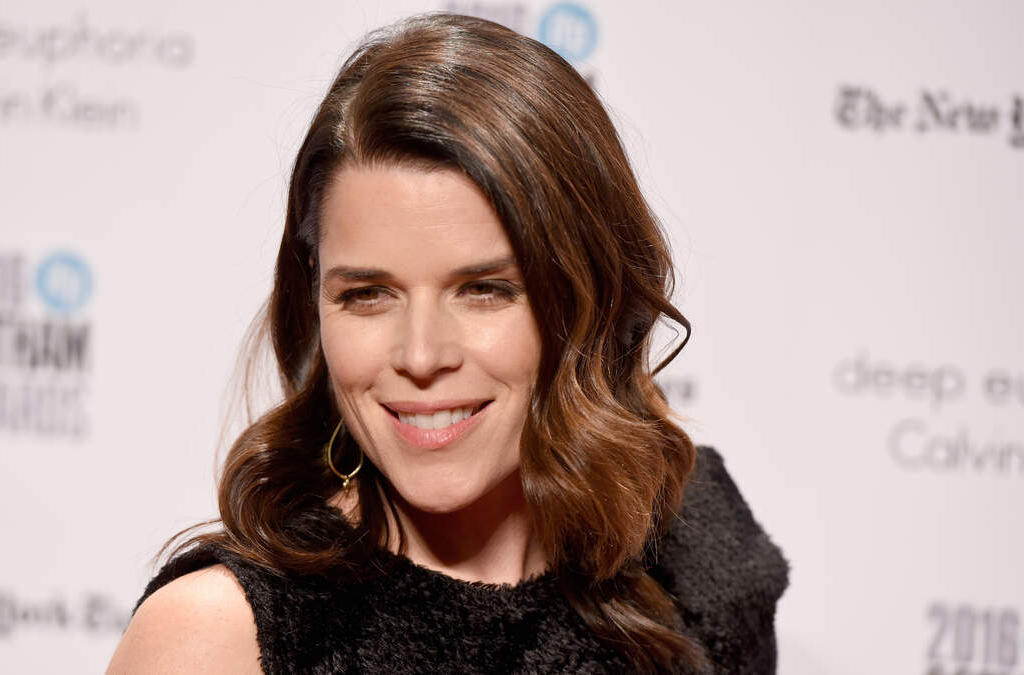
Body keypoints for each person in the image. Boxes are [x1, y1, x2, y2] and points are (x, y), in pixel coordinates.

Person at [108, 13, 788, 675]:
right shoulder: (220, 636)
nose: (422, 356)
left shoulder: (699, 549)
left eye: (484, 289)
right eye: (367, 294)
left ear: (589, 297)